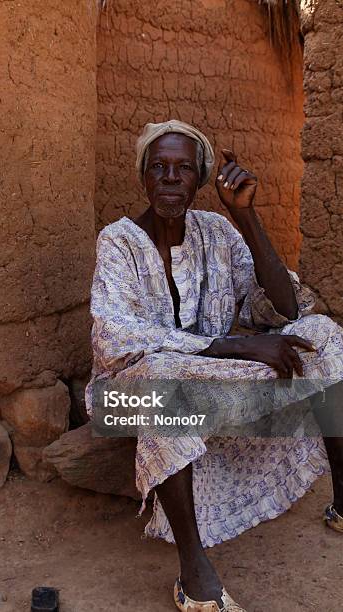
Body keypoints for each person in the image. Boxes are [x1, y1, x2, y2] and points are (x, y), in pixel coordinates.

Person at [85, 120, 343, 611]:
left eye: (183, 169)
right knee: (161, 381)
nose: (170, 178)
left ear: (201, 178)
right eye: (158, 167)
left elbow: (285, 309)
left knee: (324, 336)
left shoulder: (219, 230)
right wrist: (236, 347)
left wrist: (246, 217)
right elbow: (113, 340)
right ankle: (193, 574)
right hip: (124, 397)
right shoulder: (118, 240)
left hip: (209, 377)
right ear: (143, 176)